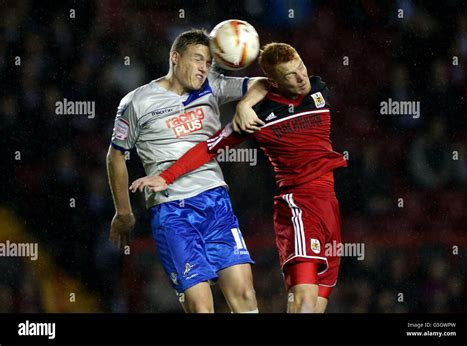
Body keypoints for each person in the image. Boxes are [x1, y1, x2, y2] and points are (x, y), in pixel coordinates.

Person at [130, 43, 348, 313]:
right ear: (274, 82)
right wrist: (167, 176)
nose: (301, 77)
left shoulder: (318, 89)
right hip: (299, 205)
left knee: (315, 305)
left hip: (330, 207)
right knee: (303, 299)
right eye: (290, 75)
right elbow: (210, 146)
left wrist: (245, 101)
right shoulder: (256, 117)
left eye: (301, 68)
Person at [107, 29, 268, 313]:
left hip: (216, 202)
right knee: (200, 305)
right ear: (175, 57)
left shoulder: (213, 86)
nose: (204, 68)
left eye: (208, 62)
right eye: (197, 60)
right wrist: (123, 212)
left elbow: (262, 84)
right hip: (172, 211)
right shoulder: (137, 102)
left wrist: (243, 105)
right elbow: (116, 156)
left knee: (245, 294)